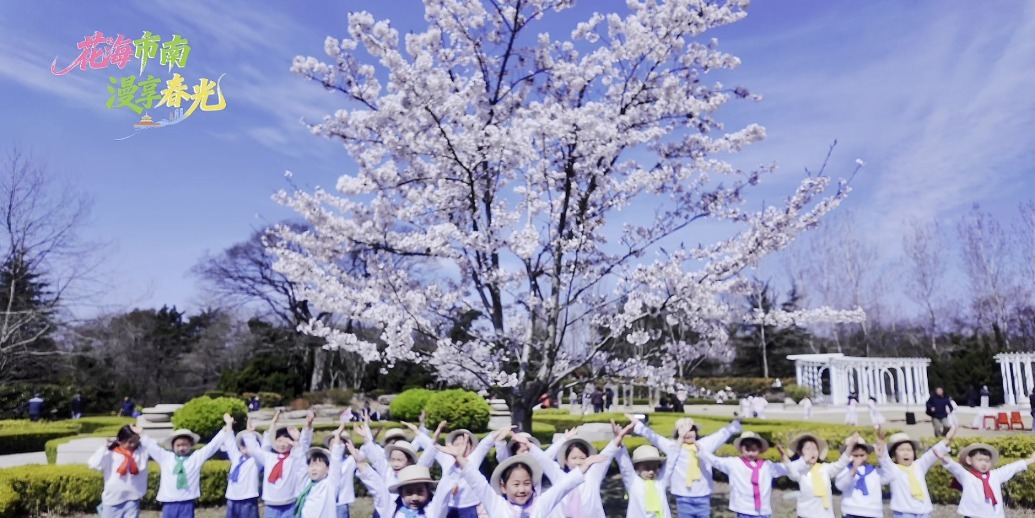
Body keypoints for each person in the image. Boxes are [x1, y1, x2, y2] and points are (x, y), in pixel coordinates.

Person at [443, 435, 611, 518]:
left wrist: (585, 466)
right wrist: (459, 459)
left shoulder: (540, 504)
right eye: (515, 484)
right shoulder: (497, 504)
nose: (522, 489)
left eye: (526, 483)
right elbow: (477, 481)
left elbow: (563, 486)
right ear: (503, 486)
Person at [630, 414, 740, 518]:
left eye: (691, 430)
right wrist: (639, 425)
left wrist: (736, 422)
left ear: (696, 432)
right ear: (678, 433)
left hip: (703, 496)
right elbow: (655, 437)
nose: (688, 433)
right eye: (683, 430)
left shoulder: (704, 445)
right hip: (683, 496)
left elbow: (721, 435)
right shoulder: (673, 447)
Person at [137, 414, 233, 517]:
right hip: (169, 502)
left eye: (185, 445)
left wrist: (225, 429)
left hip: (187, 502)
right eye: (178, 445)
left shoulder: (195, 458)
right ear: (173, 446)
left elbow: (211, 447)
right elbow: (152, 447)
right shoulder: (165, 457)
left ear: (191, 445)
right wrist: (141, 434)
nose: (182, 448)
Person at [537, 422, 629, 518]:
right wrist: (563, 439)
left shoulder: (593, 475)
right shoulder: (559, 477)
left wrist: (618, 438)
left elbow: (608, 453)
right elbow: (544, 460)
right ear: (565, 461)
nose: (578, 462)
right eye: (574, 458)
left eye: (582, 458)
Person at [698, 432, 790, 517]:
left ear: (760, 450)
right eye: (747, 449)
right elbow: (716, 461)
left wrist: (785, 457)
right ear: (741, 449)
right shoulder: (734, 463)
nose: (750, 453)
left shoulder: (767, 465)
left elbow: (789, 469)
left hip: (763, 511)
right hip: (744, 509)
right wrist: (701, 450)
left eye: (754, 450)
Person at [935, 440, 1035, 518]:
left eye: (987, 461)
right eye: (980, 460)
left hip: (993, 515)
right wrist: (943, 458)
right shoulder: (967, 476)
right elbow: (955, 467)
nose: (984, 463)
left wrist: (1031, 460)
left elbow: (1011, 468)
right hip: (973, 515)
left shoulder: (995, 475)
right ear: (969, 460)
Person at [243, 409, 314, 518]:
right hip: (271, 504)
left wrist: (307, 428)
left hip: (290, 503)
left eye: (286, 441)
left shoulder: (293, 458)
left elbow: (303, 447)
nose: (282, 444)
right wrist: (250, 433)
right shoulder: (269, 457)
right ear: (274, 442)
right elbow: (254, 450)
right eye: (279, 441)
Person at [876, 426, 954, 517]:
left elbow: (932, 453)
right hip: (904, 513)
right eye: (901, 450)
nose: (906, 453)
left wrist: (948, 439)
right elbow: (885, 460)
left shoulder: (918, 466)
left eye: (909, 450)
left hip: (923, 511)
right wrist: (881, 444)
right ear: (894, 454)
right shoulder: (894, 469)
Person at [784, 433, 855, 518]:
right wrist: (787, 461)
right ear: (800, 452)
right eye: (808, 449)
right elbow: (792, 473)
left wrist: (850, 446)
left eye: (815, 449)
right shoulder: (800, 471)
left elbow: (840, 464)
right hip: (805, 515)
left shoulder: (825, 468)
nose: (812, 452)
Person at [88, 424, 150, 518]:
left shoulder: (140, 453)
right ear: (120, 441)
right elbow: (93, 464)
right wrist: (103, 448)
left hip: (132, 499)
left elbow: (153, 447)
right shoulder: (110, 454)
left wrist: (141, 433)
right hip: (112, 500)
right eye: (130, 442)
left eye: (136, 441)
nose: (133, 444)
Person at [293, 422, 347, 518]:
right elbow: (300, 465)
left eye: (318, 465)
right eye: (311, 465)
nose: (313, 468)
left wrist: (337, 437)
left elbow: (336, 462)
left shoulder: (330, 484)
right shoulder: (306, 483)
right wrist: (297, 442)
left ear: (328, 469)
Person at [834, 436, 890, 518]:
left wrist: (882, 458)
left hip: (873, 512)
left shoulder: (875, 471)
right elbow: (840, 486)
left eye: (862, 455)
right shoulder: (845, 470)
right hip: (851, 511)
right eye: (855, 455)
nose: (859, 458)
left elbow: (890, 476)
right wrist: (853, 470)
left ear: (867, 453)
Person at [615, 440, 673, 518]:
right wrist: (619, 442)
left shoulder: (660, 481)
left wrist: (680, 439)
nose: (651, 472)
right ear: (637, 467)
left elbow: (670, 464)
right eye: (647, 468)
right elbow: (625, 466)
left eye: (655, 468)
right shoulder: (633, 482)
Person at [224, 421, 262, 518]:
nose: (245, 449)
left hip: (248, 499)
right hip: (232, 498)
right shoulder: (237, 458)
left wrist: (250, 433)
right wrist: (229, 425)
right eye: (243, 446)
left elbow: (256, 450)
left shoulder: (256, 461)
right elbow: (230, 444)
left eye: (248, 446)